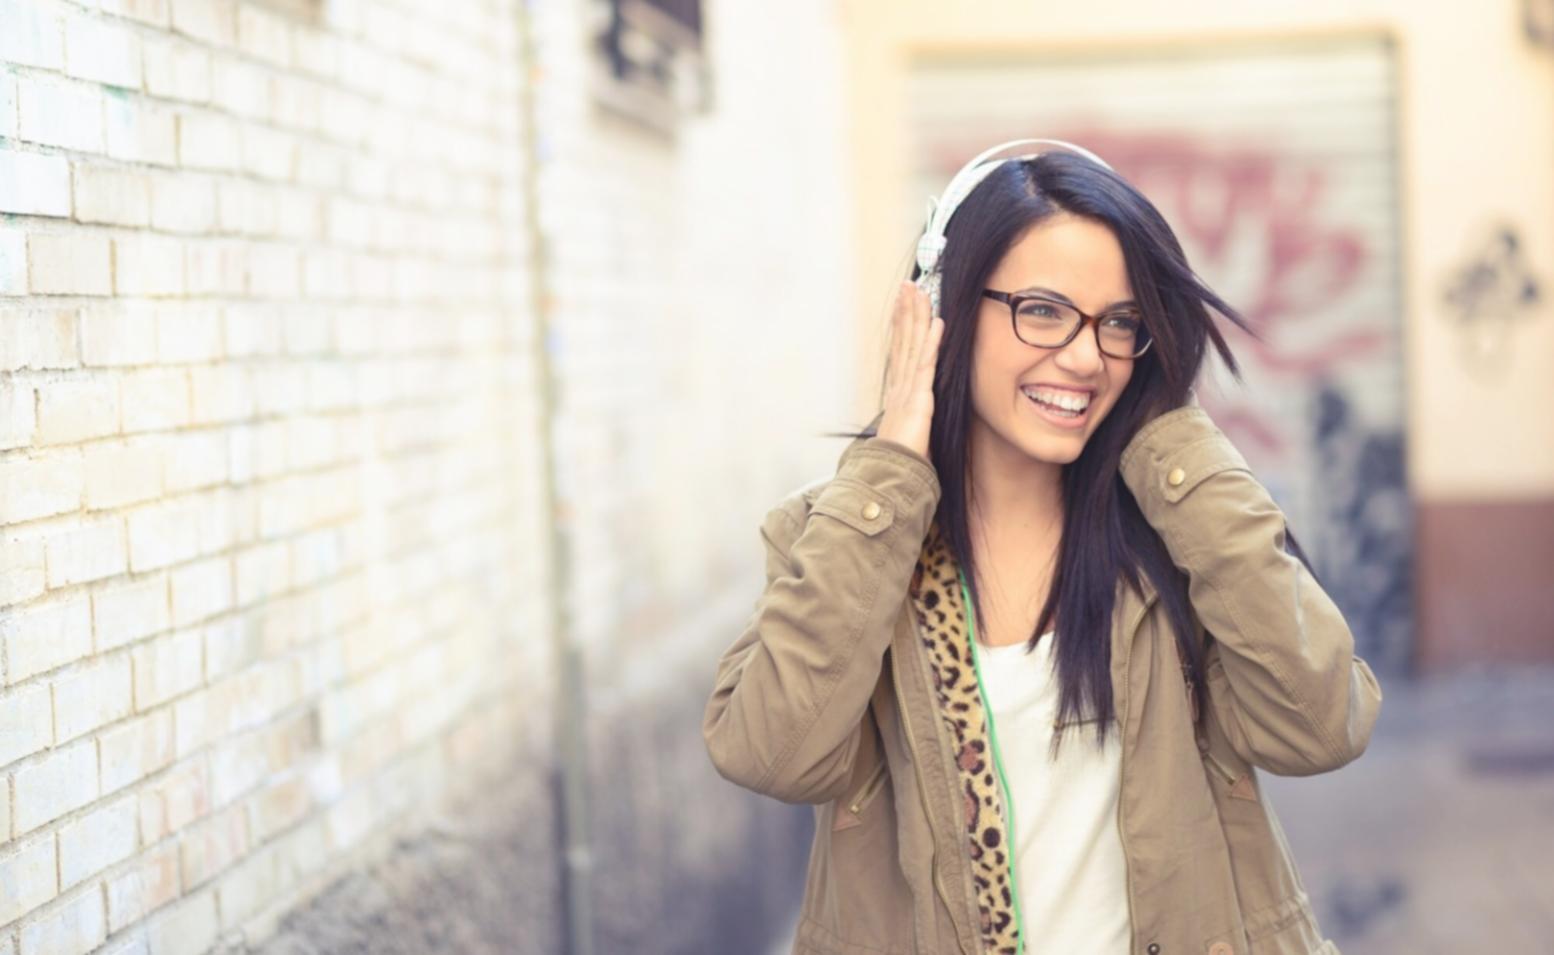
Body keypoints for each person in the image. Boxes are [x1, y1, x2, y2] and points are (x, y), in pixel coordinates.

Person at [702, 139, 1383, 955]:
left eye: (1120, 323)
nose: (1087, 356)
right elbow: (771, 753)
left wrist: (1170, 435)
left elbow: (1320, 726)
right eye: (1044, 309)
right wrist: (891, 468)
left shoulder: (1175, 537)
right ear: (942, 308)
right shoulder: (847, 538)